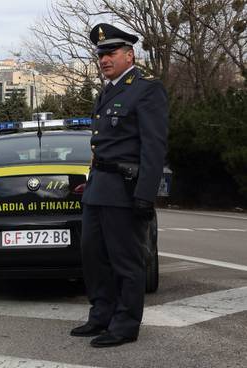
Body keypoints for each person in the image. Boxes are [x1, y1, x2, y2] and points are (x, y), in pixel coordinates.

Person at [70, 23, 168, 347]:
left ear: (130, 54)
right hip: (99, 187)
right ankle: (101, 315)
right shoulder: (108, 90)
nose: (104, 59)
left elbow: (153, 147)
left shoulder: (146, 89)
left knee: (126, 260)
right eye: (101, 54)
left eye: (111, 52)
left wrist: (145, 195)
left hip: (125, 190)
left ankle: (125, 325)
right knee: (93, 255)